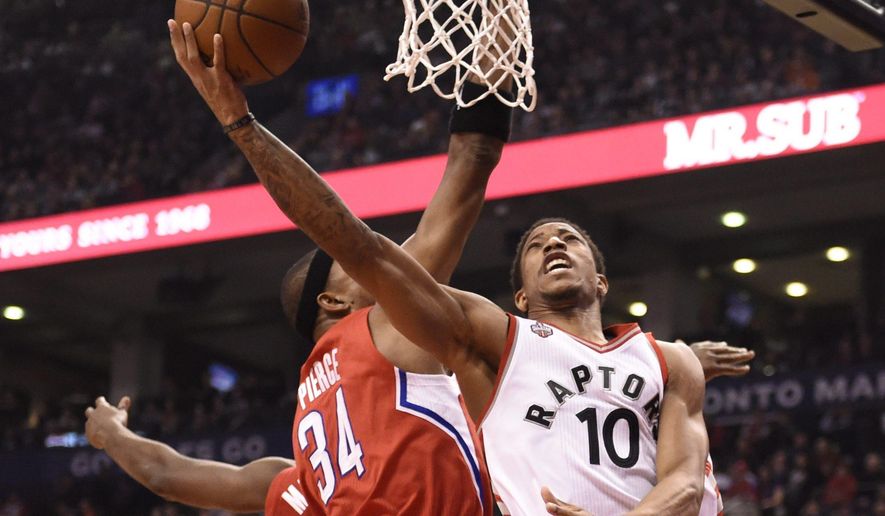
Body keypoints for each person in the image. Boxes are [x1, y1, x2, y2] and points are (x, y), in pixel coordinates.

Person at [167, 19, 754, 516]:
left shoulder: (666, 360)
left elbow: (684, 481)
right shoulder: (439, 333)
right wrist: (240, 123)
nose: (554, 243)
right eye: (534, 244)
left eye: (570, 237)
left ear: (602, 279)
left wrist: (115, 437)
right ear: (518, 299)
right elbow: (362, 239)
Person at [84, 396, 305, 515]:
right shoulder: (295, 478)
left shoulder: (300, 481)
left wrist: (111, 431)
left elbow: (165, 475)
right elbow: (165, 475)